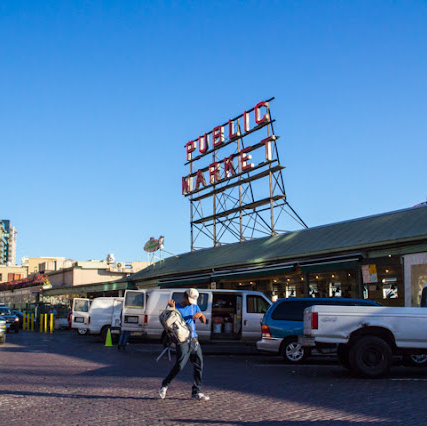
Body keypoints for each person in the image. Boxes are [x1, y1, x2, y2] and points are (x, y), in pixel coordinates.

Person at [158, 288, 210, 401]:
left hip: (194, 339)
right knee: (180, 365)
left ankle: (196, 391)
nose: (190, 304)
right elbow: (167, 322)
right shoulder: (175, 306)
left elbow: (204, 321)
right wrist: (170, 308)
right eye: (189, 300)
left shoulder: (194, 306)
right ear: (185, 297)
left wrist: (201, 315)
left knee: (199, 364)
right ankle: (165, 384)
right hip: (182, 340)